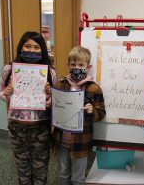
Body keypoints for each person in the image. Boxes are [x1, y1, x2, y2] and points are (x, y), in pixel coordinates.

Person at [0, 31, 57, 185]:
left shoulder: (50, 73)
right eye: (28, 46)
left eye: (36, 47)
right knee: (22, 172)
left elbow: (54, 102)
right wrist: (6, 93)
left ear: (42, 50)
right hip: (17, 128)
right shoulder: (8, 69)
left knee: (41, 172)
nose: (32, 50)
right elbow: (1, 93)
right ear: (21, 47)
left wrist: (50, 95)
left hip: (40, 129)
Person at [51, 46, 106, 185]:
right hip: (61, 140)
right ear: (68, 66)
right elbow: (54, 108)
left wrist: (91, 111)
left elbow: (101, 113)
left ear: (88, 67)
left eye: (81, 65)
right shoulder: (60, 84)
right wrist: (50, 104)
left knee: (78, 178)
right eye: (73, 64)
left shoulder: (94, 88)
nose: (77, 67)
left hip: (81, 142)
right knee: (63, 174)